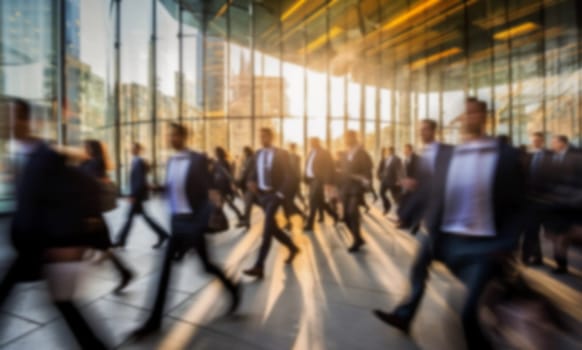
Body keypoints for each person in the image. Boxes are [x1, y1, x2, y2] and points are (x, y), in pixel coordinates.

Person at [373, 97, 526, 350]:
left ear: (485, 117)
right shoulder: (451, 155)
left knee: (467, 316)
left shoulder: (505, 156)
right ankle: (405, 314)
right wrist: (406, 211)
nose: (469, 118)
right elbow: (432, 190)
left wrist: (508, 243)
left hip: (482, 246)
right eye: (465, 114)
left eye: (474, 113)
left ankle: (499, 309)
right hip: (443, 237)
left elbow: (520, 204)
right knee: (418, 269)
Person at [0, 99, 107, 348]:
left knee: (64, 306)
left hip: (47, 246)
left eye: (9, 115)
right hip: (27, 245)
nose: (4, 121)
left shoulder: (46, 156)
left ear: (24, 120)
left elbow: (87, 186)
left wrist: (68, 241)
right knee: (62, 306)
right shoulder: (17, 154)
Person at [133, 123, 241, 336]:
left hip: (193, 224)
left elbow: (208, 190)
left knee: (206, 267)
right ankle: (154, 321)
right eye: (168, 135)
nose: (169, 139)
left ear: (183, 137)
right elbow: (174, 188)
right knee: (165, 271)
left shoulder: (197, 159)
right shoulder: (171, 161)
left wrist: (201, 222)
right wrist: (158, 188)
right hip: (177, 224)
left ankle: (233, 288)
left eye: (173, 135)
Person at [243, 128, 300, 279]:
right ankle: (293, 248)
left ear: (272, 138)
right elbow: (254, 172)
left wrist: (280, 194)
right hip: (262, 196)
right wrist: (251, 181)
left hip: (274, 196)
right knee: (273, 228)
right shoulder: (258, 154)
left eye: (265, 137)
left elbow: (290, 176)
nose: (263, 139)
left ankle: (259, 266)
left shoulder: (282, 154)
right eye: (261, 137)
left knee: (267, 229)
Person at [80, 139, 134, 294]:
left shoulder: (94, 164)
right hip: (89, 213)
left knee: (102, 245)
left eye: (85, 147)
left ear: (91, 149)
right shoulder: (89, 163)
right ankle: (124, 272)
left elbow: (91, 188)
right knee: (103, 246)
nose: (83, 149)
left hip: (91, 214)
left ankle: (124, 272)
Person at [397, 119, 452, 232]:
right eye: (420, 130)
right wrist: (414, 183)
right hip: (431, 210)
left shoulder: (448, 150)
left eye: (425, 129)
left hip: (445, 207)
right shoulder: (423, 154)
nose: (421, 133)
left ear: (433, 131)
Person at [114, 142, 169, 248]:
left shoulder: (138, 162)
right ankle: (162, 234)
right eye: (131, 148)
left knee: (132, 218)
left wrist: (134, 195)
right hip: (137, 196)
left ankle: (121, 240)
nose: (131, 150)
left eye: (134, 148)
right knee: (140, 218)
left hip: (137, 196)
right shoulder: (136, 161)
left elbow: (139, 181)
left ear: (138, 150)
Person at [545, 135, 582, 274]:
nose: (552, 144)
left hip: (573, 204)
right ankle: (561, 264)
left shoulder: (576, 156)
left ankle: (562, 263)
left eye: (554, 142)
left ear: (562, 143)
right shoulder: (552, 157)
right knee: (559, 235)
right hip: (558, 204)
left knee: (569, 234)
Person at [339, 130, 373, 253]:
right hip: (345, 188)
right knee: (346, 217)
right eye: (345, 137)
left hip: (356, 188)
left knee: (352, 212)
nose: (346, 140)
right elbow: (342, 170)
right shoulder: (345, 153)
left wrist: (363, 181)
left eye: (348, 137)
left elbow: (367, 171)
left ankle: (356, 241)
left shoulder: (362, 154)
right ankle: (358, 238)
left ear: (354, 138)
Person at [520, 132, 552, 266]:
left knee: (550, 232)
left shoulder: (550, 156)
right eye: (534, 140)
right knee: (531, 229)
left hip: (546, 199)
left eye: (538, 140)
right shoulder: (526, 155)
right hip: (530, 199)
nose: (536, 142)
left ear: (542, 141)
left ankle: (559, 261)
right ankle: (528, 257)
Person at [303, 137, 338, 231]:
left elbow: (329, 167)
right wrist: (305, 177)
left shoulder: (324, 152)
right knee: (320, 202)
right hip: (311, 180)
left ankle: (310, 224)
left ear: (317, 142)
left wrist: (326, 182)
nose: (311, 143)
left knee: (312, 202)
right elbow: (308, 165)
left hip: (318, 180)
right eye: (310, 142)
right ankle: (335, 216)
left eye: (313, 141)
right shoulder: (311, 152)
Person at [213, 146, 244, 223]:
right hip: (224, 185)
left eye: (215, 152)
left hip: (221, 185)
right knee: (224, 204)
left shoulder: (219, 162)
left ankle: (219, 222)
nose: (214, 154)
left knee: (222, 204)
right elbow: (229, 173)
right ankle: (239, 216)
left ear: (217, 153)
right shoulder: (224, 161)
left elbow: (224, 174)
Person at [283, 143, 306, 229]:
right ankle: (297, 217)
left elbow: (297, 169)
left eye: (292, 147)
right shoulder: (288, 156)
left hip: (292, 182)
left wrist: (297, 180)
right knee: (287, 202)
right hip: (287, 182)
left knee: (288, 202)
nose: (291, 148)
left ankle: (295, 218)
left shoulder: (296, 157)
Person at [236, 146, 258, 229]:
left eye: (243, 152)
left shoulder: (249, 159)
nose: (243, 153)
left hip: (249, 185)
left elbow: (245, 172)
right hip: (249, 184)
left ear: (246, 152)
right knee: (248, 204)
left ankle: (246, 222)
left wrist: (238, 182)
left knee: (248, 204)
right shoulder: (251, 159)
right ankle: (246, 222)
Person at [377, 146, 402, 215]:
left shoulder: (397, 159)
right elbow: (384, 168)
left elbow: (399, 170)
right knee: (381, 193)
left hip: (393, 181)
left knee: (396, 198)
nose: (388, 152)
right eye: (388, 151)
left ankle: (402, 212)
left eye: (389, 151)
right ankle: (387, 206)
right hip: (385, 180)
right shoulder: (386, 159)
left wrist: (399, 180)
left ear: (393, 151)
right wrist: (380, 175)